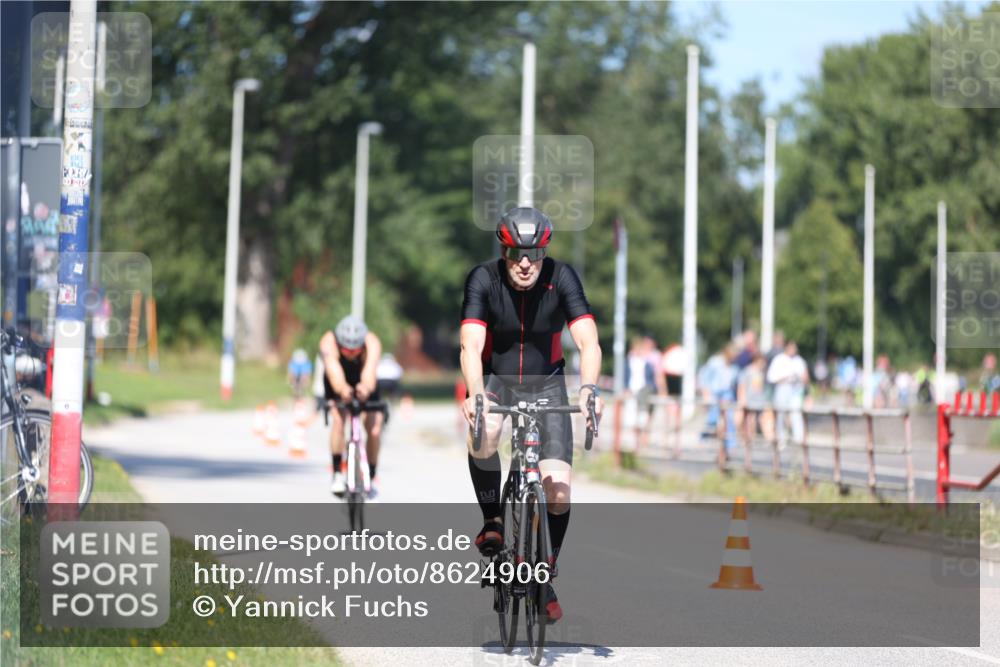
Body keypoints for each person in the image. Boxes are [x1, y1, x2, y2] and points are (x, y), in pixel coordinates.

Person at [460, 207, 603, 625]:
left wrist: (590, 388)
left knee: (558, 494)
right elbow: (471, 344)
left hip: (547, 383)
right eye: (517, 253)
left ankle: (545, 571)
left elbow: (588, 341)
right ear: (504, 252)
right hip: (497, 377)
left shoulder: (563, 278)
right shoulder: (483, 279)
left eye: (535, 254)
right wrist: (474, 395)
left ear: (545, 252)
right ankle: (492, 520)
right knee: (484, 434)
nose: (526, 263)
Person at [319, 315, 385, 499]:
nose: (350, 354)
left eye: (355, 350)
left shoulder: (372, 341)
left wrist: (365, 387)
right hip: (337, 379)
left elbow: (370, 370)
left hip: (363, 376)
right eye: (346, 350)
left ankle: (371, 475)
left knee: (374, 429)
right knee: (338, 420)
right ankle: (337, 473)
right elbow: (333, 371)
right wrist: (342, 390)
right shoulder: (328, 341)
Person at [766, 340, 809, 448]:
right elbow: (771, 377)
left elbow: (805, 377)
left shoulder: (799, 361)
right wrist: (785, 378)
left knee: (796, 413)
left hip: (796, 390)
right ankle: (781, 438)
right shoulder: (779, 360)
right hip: (783, 388)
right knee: (780, 414)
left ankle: (798, 438)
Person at [624, 336, 656, 450]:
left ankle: (641, 440)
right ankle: (636, 441)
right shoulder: (629, 361)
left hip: (643, 391)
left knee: (642, 417)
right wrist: (626, 388)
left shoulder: (646, 362)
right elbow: (626, 376)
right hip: (632, 391)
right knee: (632, 418)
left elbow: (651, 379)